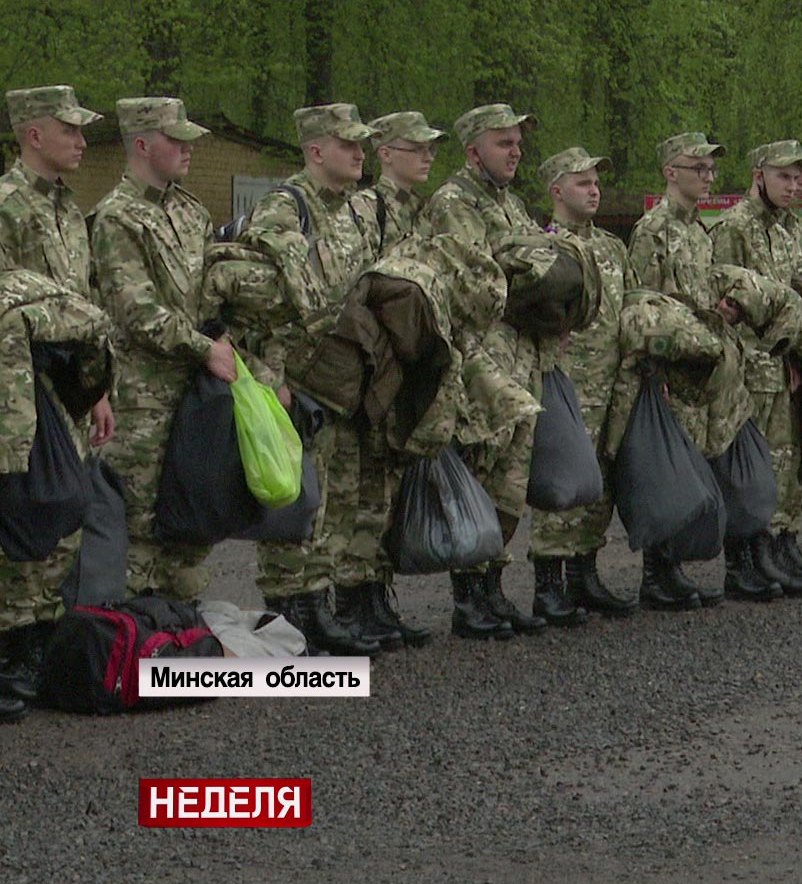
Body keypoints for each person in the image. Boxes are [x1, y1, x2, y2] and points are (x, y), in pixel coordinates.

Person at [237, 103, 392, 656]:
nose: (359, 153)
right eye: (347, 144)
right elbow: (263, 303)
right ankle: (289, 611)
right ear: (315, 150)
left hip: (344, 378)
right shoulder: (284, 208)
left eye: (362, 143)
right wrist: (271, 376)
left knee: (336, 500)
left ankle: (319, 605)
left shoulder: (356, 211)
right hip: (296, 377)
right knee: (295, 496)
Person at [417, 102, 562, 638]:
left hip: (522, 356)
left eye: (518, 143)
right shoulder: (455, 203)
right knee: (480, 467)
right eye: (504, 143)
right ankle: (468, 595)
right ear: (474, 149)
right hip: (480, 358)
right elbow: (475, 281)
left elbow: (540, 259)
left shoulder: (512, 204)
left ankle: (493, 585)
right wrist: (530, 265)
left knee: (511, 479)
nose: (516, 152)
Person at [87, 97, 237, 607]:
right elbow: (138, 311)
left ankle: (181, 637)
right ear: (144, 144)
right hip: (141, 398)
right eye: (177, 139)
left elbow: (209, 289)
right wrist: (203, 347)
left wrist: (224, 331)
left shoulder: (189, 210)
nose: (189, 148)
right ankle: (136, 645)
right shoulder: (116, 218)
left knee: (191, 519)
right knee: (140, 524)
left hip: (193, 391)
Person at [0, 84, 110, 719]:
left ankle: (38, 642)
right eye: (69, 129)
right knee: (24, 506)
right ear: (33, 135)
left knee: (63, 511)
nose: (81, 140)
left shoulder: (69, 208)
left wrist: (99, 391)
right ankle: (12, 650)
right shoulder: (9, 207)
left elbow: (87, 301)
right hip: (25, 383)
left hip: (69, 382)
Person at [626, 131, 738, 609]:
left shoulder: (698, 229)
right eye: (700, 169)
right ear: (671, 172)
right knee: (667, 469)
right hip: (670, 370)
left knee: (692, 462)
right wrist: (655, 371)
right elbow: (644, 308)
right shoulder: (654, 231)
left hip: (699, 368)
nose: (709, 178)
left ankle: (673, 568)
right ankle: (656, 573)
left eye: (712, 170)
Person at [709, 140, 802, 596]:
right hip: (752, 365)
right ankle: (745, 557)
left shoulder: (792, 228)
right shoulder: (735, 227)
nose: (795, 185)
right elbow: (725, 300)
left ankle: (781, 543)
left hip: (789, 360)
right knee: (754, 464)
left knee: (790, 458)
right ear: (759, 175)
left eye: (800, 178)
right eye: (785, 176)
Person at [525, 146, 638, 617]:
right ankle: (549, 581)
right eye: (582, 183)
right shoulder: (540, 245)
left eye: (596, 183)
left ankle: (585, 571)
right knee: (563, 477)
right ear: (556, 191)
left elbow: (631, 303)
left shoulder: (611, 246)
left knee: (602, 479)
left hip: (613, 377)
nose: (594, 191)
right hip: (567, 379)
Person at [365, 111, 445, 243]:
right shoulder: (368, 208)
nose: (428, 158)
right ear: (386, 154)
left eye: (431, 149)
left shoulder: (420, 207)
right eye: (418, 149)